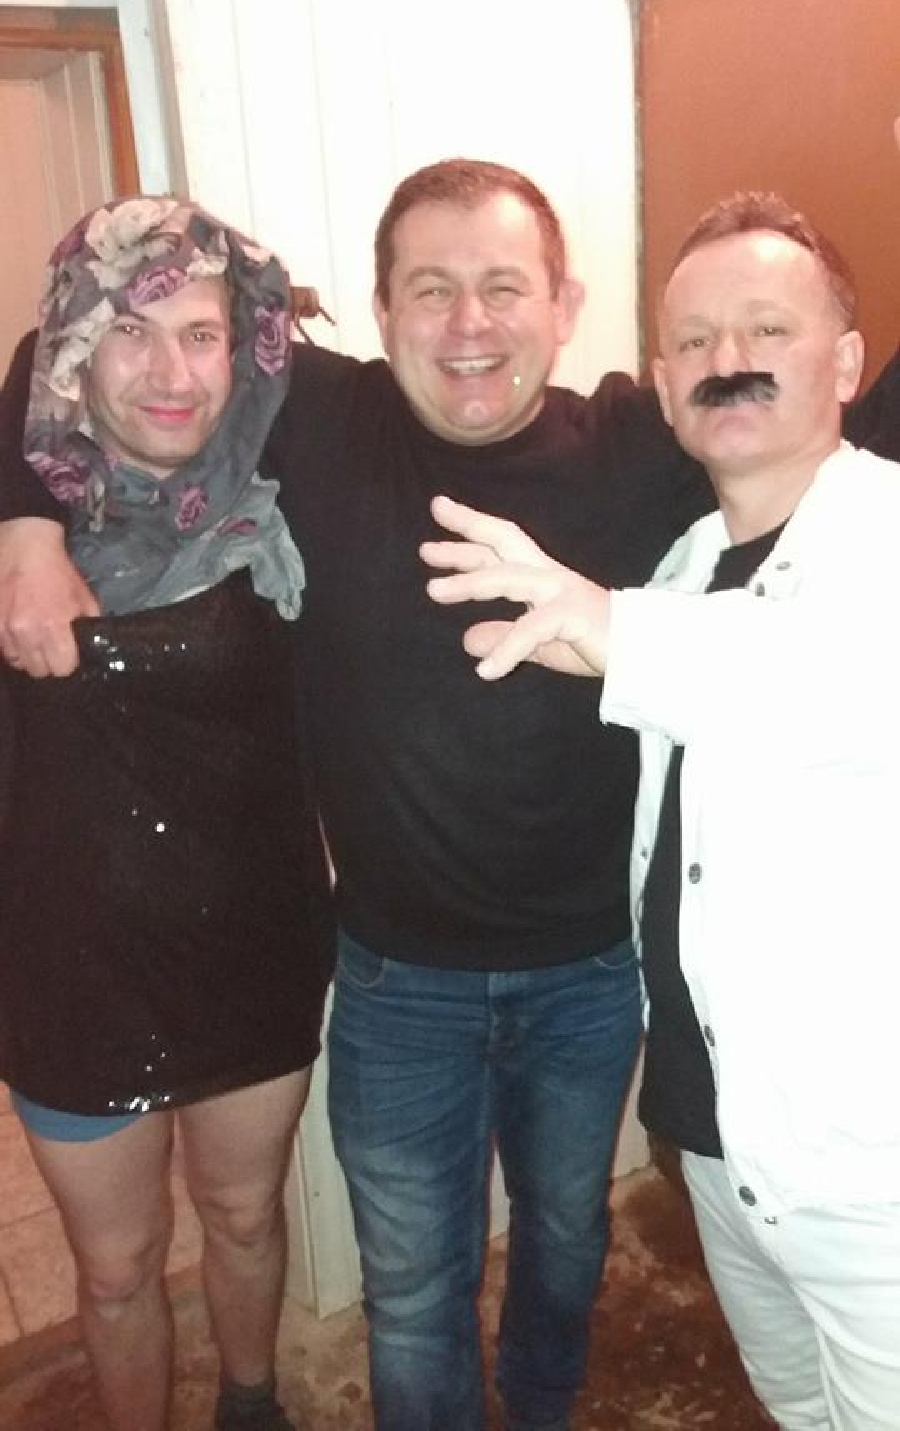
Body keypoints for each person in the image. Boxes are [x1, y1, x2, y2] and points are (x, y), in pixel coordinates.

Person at [1, 163, 894, 1431]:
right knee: (412, 1290)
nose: (470, 324)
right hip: (394, 981)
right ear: (379, 311)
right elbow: (70, 334)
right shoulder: (317, 415)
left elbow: (812, 458)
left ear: (564, 304)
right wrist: (26, 522)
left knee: (567, 1245)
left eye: (503, 288)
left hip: (591, 979)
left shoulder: (645, 440)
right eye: (431, 289)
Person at [421, 192, 900, 1429]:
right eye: (692, 340)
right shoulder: (686, 570)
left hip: (873, 1179)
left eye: (767, 329)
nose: (727, 358)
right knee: (799, 1408)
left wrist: (604, 622)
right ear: (663, 383)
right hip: (719, 1144)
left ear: (848, 360)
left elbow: (812, 673)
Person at [0, 198, 332, 1431]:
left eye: (200, 334)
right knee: (117, 1265)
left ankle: (252, 1405)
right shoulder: (19, 525)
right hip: (69, 972)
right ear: (74, 355)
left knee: (244, 1213)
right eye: (128, 334)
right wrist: (24, 525)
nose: (170, 375)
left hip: (252, 945)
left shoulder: (285, 489)